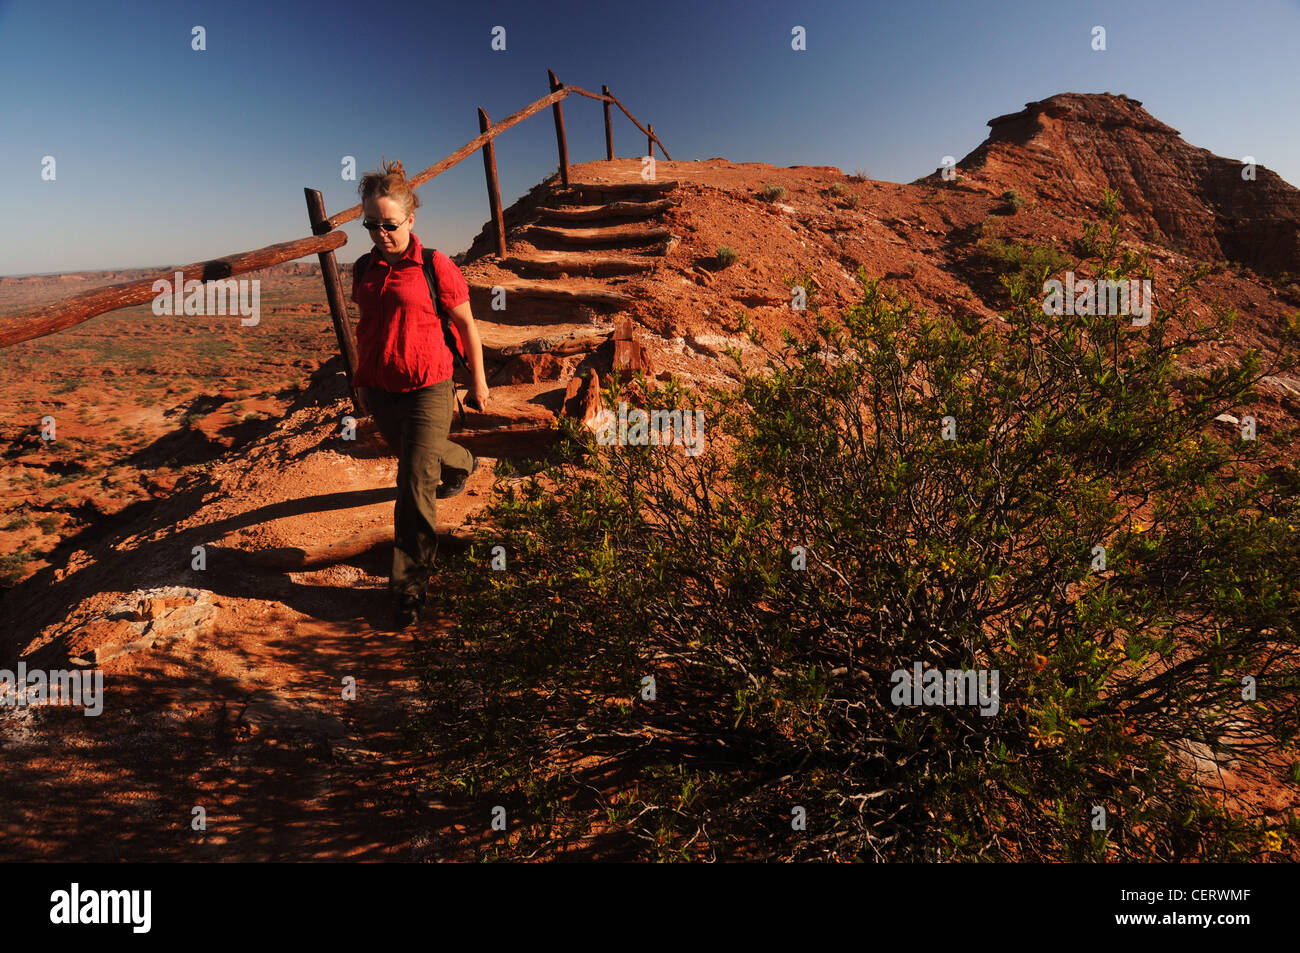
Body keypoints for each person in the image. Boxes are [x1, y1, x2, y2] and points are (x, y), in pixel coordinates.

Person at [349, 158, 491, 630]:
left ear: (411, 219)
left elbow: (467, 326)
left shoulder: (435, 265)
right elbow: (369, 327)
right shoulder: (364, 268)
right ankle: (462, 462)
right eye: (371, 224)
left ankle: (408, 589)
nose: (380, 234)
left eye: (389, 225)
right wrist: (362, 381)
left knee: (411, 488)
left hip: (431, 384)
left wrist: (479, 381)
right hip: (382, 387)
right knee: (419, 457)